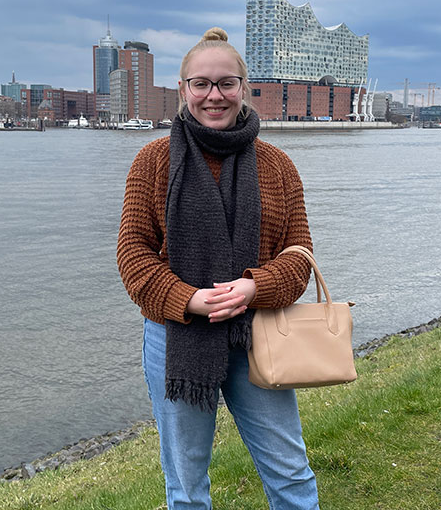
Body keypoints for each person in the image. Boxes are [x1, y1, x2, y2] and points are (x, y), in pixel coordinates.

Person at [117, 27, 320, 509]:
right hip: (176, 336)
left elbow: (299, 256)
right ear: (183, 88)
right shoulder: (152, 162)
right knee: (186, 485)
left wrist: (253, 289)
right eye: (201, 83)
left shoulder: (277, 166)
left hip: (260, 334)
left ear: (244, 89)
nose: (214, 95)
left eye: (226, 83)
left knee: (289, 471)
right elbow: (133, 255)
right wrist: (187, 298)